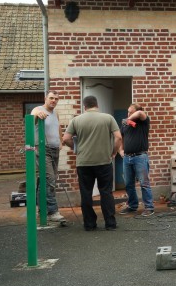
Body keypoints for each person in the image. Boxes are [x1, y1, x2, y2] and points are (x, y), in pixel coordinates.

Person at [62, 95, 122, 231]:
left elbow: (65, 139)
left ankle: (89, 224)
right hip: (104, 161)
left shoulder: (76, 120)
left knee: (86, 193)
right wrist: (113, 152)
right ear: (97, 105)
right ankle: (110, 223)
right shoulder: (108, 118)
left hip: (84, 163)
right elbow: (118, 137)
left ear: (84, 106)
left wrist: (76, 149)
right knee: (106, 192)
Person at [31, 91, 66, 223]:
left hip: (54, 149)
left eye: (56, 99)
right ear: (45, 98)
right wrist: (38, 115)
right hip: (42, 149)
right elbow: (33, 117)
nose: (53, 101)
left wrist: (60, 141)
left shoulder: (55, 113)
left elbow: (58, 127)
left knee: (45, 180)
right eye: (51, 98)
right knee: (50, 179)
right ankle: (52, 212)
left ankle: (41, 210)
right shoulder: (38, 109)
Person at [118, 103, 155, 217]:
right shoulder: (126, 124)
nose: (128, 114)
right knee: (128, 184)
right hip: (127, 158)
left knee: (144, 183)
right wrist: (120, 150)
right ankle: (132, 206)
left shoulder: (143, 121)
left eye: (131, 112)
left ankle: (149, 207)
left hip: (140, 157)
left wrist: (128, 119)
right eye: (128, 112)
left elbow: (139, 113)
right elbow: (121, 137)